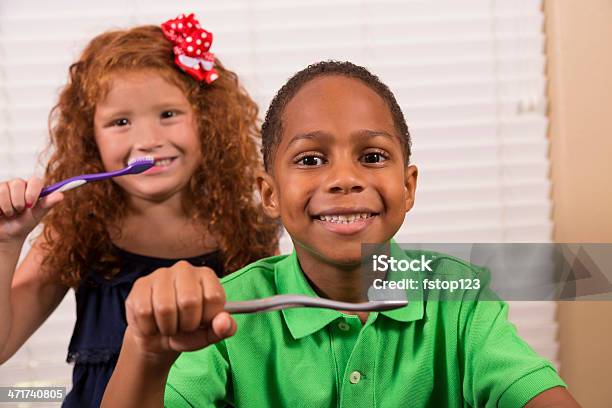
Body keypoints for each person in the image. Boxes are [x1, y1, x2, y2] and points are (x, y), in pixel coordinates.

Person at [102, 61, 580, 407]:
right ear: (269, 194)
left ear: (408, 187)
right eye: (311, 160)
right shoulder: (225, 317)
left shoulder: (461, 299)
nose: (344, 179)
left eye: (372, 156)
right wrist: (146, 351)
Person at [0, 13, 279, 407]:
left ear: (208, 123)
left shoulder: (249, 228)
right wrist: (6, 244)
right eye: (120, 121)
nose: (147, 140)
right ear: (89, 139)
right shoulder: (77, 229)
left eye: (168, 114)